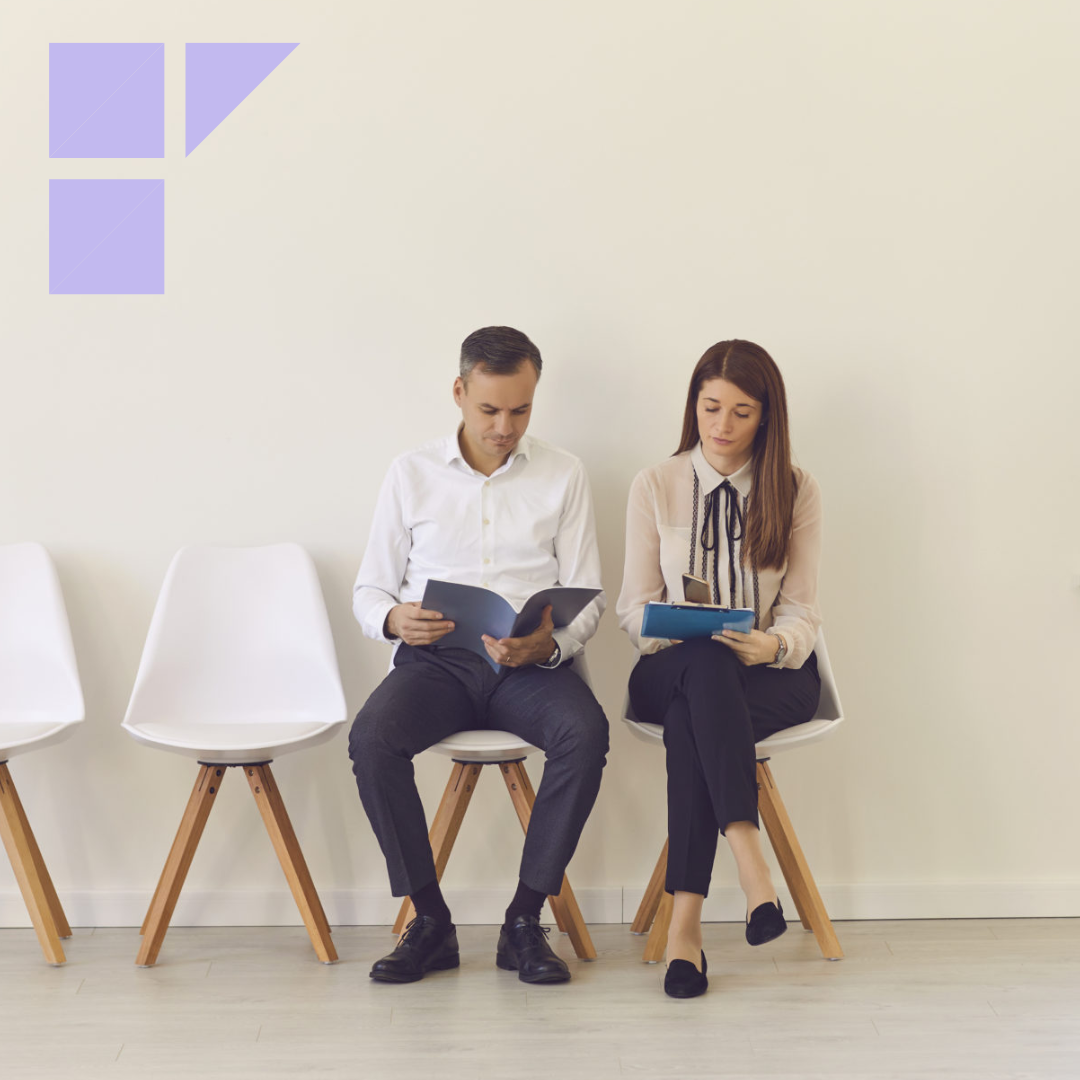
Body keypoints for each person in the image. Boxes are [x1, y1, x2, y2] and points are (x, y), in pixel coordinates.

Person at [349, 325, 608, 986]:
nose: (504, 426)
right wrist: (393, 617)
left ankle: (524, 919)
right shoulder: (410, 473)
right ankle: (430, 922)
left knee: (585, 732)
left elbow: (590, 598)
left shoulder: (564, 473)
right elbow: (369, 588)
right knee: (373, 739)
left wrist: (550, 642)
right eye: (490, 409)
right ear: (460, 393)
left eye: (520, 410)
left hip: (528, 667)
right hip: (437, 664)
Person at [616, 339, 822, 998]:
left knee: (696, 722)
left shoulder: (794, 488)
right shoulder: (655, 484)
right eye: (710, 408)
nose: (722, 426)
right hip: (668, 667)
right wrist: (678, 632)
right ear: (693, 405)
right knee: (701, 661)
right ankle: (749, 859)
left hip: (766, 675)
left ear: (767, 416)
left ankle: (686, 933)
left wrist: (775, 646)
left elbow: (803, 611)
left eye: (740, 412)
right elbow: (632, 608)